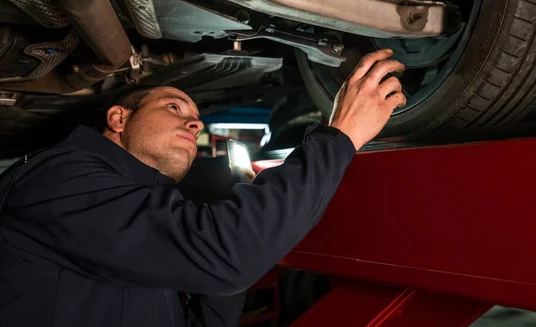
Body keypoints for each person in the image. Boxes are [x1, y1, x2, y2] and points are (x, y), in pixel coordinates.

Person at [0, 49, 406, 326]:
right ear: (119, 119)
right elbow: (224, 256)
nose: (195, 123)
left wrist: (219, 275)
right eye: (174, 107)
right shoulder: (57, 178)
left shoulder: (137, 202)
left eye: (196, 116)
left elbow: (217, 272)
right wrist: (340, 135)